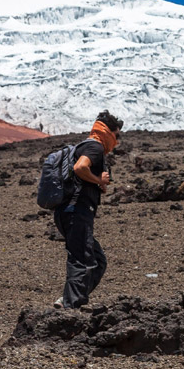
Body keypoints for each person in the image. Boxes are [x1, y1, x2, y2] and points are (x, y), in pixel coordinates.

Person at [54, 110, 123, 310]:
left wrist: (97, 183)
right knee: (82, 262)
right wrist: (98, 179)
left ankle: (67, 300)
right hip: (77, 212)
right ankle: (71, 308)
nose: (117, 141)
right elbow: (79, 168)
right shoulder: (94, 147)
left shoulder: (86, 146)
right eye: (116, 135)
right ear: (106, 132)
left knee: (97, 260)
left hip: (69, 212)